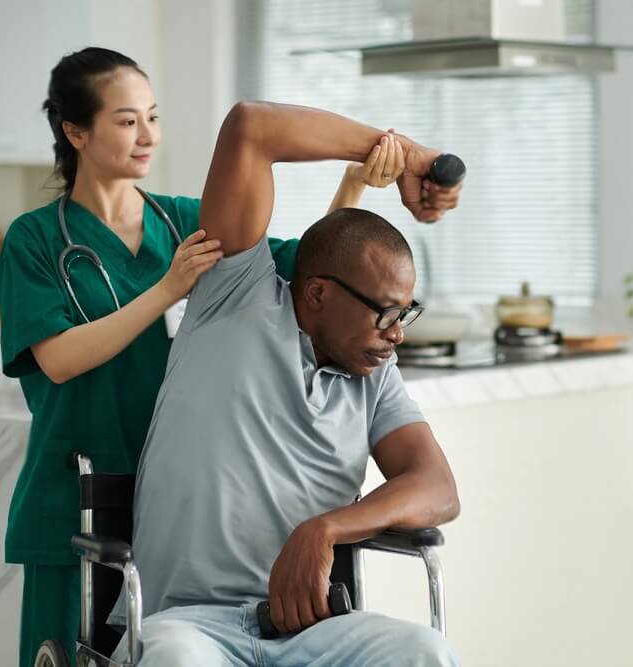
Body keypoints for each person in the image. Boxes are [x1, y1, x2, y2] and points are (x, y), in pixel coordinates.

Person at [0, 46, 433, 667]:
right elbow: (59, 360)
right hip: (78, 484)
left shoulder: (183, 222)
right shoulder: (35, 239)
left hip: (182, 486)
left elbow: (314, 276)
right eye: (126, 121)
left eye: (153, 116)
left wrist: (356, 182)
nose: (147, 135)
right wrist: (168, 290)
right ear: (75, 131)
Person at [110, 101, 463, 666]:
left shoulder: (374, 376)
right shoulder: (233, 296)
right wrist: (407, 156)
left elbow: (438, 488)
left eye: (406, 313)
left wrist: (324, 530)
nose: (397, 335)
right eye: (385, 313)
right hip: (188, 627)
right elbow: (252, 127)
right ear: (319, 294)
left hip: (309, 633)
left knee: (425, 651)